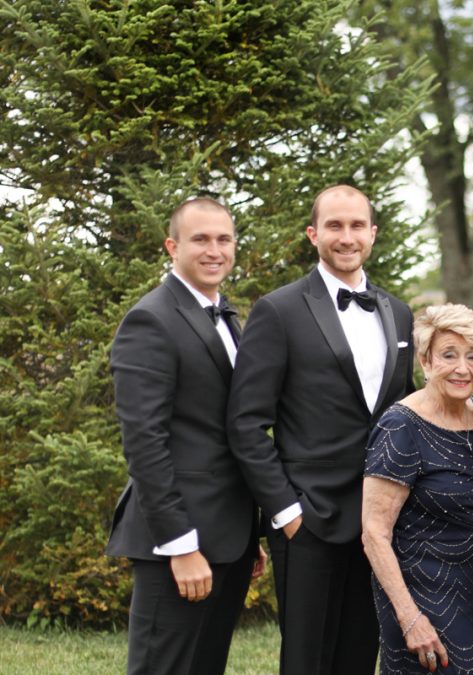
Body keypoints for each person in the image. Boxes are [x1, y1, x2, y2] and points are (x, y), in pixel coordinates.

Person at [227, 185, 415, 675]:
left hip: (379, 522)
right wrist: (287, 513)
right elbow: (246, 423)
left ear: (372, 234)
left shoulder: (398, 313)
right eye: (334, 225)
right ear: (313, 234)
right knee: (306, 662)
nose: (346, 237)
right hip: (309, 520)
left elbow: (407, 409)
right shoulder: (279, 310)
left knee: (360, 656)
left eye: (357, 226)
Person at [107, 197, 264, 675]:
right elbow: (145, 444)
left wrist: (246, 532)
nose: (215, 250)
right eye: (200, 239)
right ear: (172, 247)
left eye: (224, 239)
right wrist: (181, 545)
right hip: (178, 543)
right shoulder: (151, 320)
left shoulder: (225, 316)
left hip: (227, 538)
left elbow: (223, 431)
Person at [362, 304, 473, 674]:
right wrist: (410, 618)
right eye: (449, 355)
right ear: (425, 361)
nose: (463, 369)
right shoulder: (401, 427)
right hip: (422, 606)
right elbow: (374, 533)